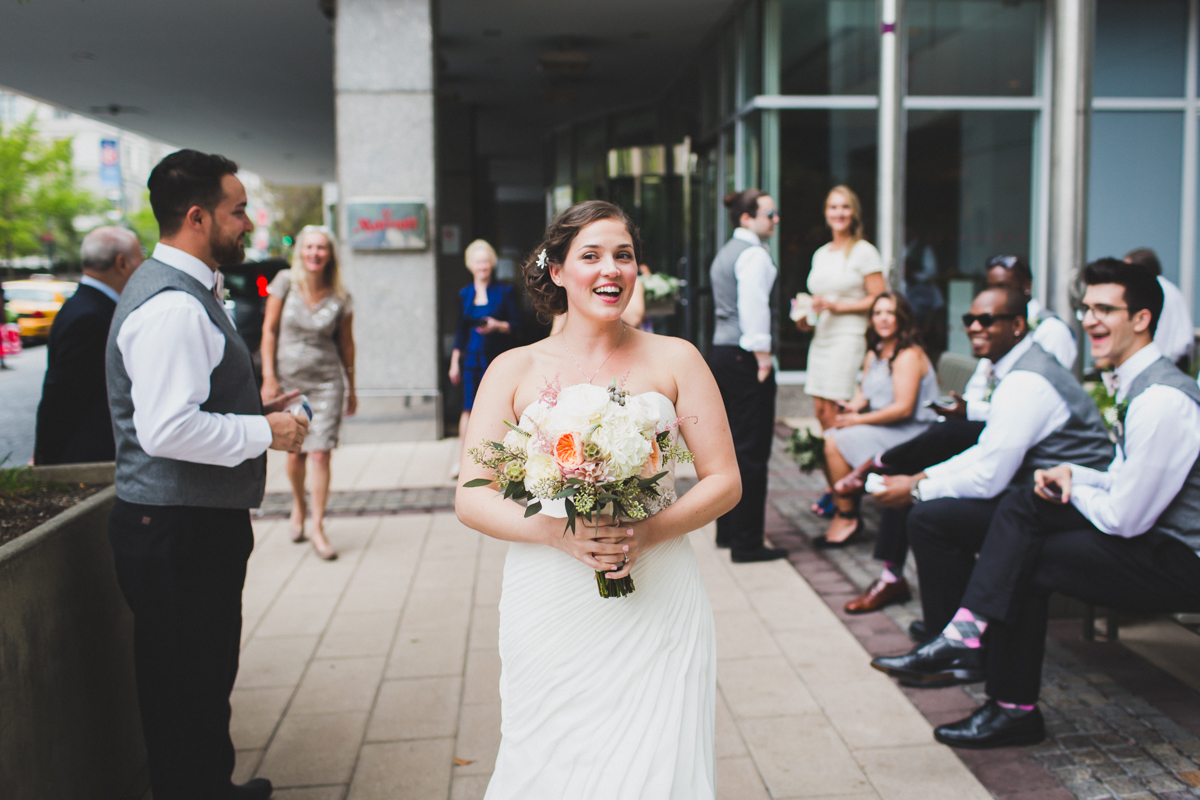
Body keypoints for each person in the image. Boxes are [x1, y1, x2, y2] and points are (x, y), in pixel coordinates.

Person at [455, 200, 741, 799]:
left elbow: (723, 480)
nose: (611, 269)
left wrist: (652, 531)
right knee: (551, 755)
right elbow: (473, 495)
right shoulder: (512, 369)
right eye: (591, 256)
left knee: (657, 762)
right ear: (556, 271)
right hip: (549, 593)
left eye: (624, 256)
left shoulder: (676, 358)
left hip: (658, 587)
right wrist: (556, 533)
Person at [877, 258, 1200, 750]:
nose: (1089, 319)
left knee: (1024, 533)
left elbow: (1127, 517)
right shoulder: (1140, 383)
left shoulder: (1161, 400)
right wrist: (1076, 475)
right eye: (1086, 307)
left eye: (1105, 309)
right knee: (1022, 525)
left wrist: (1073, 487)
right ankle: (995, 684)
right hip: (1154, 537)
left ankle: (989, 674)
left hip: (1180, 557)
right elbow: (1122, 479)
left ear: (1141, 319)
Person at [106, 150, 309, 800]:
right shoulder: (172, 306)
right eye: (238, 210)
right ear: (197, 217)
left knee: (201, 676)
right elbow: (165, 429)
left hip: (186, 527)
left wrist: (256, 408)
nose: (248, 223)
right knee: (184, 685)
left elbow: (188, 406)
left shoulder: (186, 289)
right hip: (176, 532)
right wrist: (265, 432)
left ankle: (209, 787)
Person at [856, 287, 1113, 627]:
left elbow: (989, 477)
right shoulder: (1016, 367)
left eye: (987, 320)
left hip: (1070, 504)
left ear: (1017, 325)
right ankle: (956, 631)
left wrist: (917, 491)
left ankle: (954, 642)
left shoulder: (1026, 379)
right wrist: (921, 478)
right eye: (970, 319)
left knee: (929, 518)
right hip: (1036, 493)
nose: (974, 327)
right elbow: (987, 450)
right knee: (934, 503)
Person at [260, 224, 356, 561]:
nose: (315, 253)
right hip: (289, 383)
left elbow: (346, 344)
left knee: (321, 453)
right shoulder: (285, 283)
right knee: (296, 452)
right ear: (301, 250)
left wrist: (351, 387)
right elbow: (269, 330)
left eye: (322, 248)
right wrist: (268, 377)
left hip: (328, 382)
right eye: (309, 247)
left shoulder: (341, 295)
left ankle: (317, 526)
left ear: (329, 254)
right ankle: (298, 507)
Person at [817, 293, 939, 551]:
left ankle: (847, 517)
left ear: (901, 318)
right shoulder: (876, 352)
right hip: (886, 426)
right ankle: (846, 506)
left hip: (912, 432)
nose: (883, 319)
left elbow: (903, 409)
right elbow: (865, 393)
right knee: (827, 437)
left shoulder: (908, 355)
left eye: (890, 313)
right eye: (877, 313)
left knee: (835, 442)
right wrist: (850, 407)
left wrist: (857, 420)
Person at [708, 188, 789, 562]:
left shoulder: (727, 252)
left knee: (730, 447)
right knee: (752, 450)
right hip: (745, 355)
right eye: (769, 214)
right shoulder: (754, 254)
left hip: (723, 353)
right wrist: (764, 357)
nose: (775, 220)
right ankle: (747, 542)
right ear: (747, 218)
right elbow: (753, 308)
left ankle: (728, 533)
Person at [34, 226, 143, 465]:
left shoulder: (82, 304)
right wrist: (45, 460)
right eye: (140, 258)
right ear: (122, 263)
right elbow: (61, 395)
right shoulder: (91, 316)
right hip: (89, 456)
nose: (143, 267)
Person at [798, 186, 887, 432]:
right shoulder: (821, 254)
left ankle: (844, 466)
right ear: (826, 213)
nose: (839, 212)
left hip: (848, 337)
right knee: (820, 410)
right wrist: (806, 317)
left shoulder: (864, 251)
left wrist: (838, 306)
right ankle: (831, 467)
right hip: (821, 337)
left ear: (854, 213)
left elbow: (880, 298)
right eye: (834, 207)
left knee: (836, 410)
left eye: (845, 207)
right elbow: (817, 299)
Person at [449, 239, 519, 472]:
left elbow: (517, 326)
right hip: (471, 359)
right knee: (468, 408)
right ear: (471, 265)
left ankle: (501, 461)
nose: (483, 266)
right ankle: (463, 461)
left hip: (496, 358)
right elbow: (459, 330)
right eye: (479, 262)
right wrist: (454, 363)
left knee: (499, 407)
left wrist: (498, 325)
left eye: (487, 262)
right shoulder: (465, 294)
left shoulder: (505, 291)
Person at [1124, 247, 1193, 368]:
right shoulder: (1170, 288)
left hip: (1163, 361)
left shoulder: (1153, 291)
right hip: (1174, 360)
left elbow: (1161, 332)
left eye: (1128, 269)